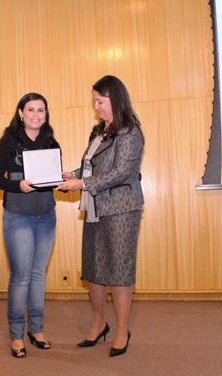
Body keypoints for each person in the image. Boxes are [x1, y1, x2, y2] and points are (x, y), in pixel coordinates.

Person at [57, 75, 144, 357]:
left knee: (118, 272)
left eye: (100, 101)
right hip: (95, 207)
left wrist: (81, 183)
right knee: (93, 269)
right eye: (94, 101)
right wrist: (72, 174)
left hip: (121, 208)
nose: (96, 106)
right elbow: (90, 167)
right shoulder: (97, 133)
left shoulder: (130, 131)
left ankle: (121, 331)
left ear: (115, 99)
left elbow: (121, 172)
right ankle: (98, 325)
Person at [0, 92, 60, 358]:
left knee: (38, 274)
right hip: (18, 216)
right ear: (21, 113)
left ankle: (37, 330)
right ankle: (17, 335)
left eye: (41, 110)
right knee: (21, 276)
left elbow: (50, 178)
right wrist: (17, 185)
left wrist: (62, 179)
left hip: (46, 215)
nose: (36, 115)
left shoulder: (51, 142)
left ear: (46, 114)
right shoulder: (8, 141)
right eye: (30, 110)